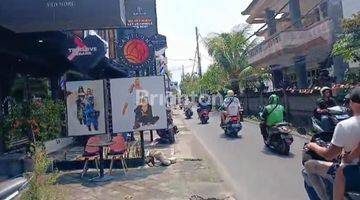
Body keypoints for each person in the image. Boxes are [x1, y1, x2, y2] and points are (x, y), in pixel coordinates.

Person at [304, 87, 360, 200]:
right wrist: (350, 154)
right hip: (329, 118)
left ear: (351, 103)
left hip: (355, 173)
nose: (327, 93)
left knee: (309, 166)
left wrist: (312, 146)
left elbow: (329, 155)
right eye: (326, 92)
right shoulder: (321, 101)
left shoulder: (344, 125)